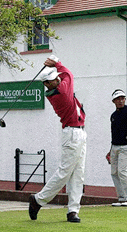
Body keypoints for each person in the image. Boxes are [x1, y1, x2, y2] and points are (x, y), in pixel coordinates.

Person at [28, 55, 87, 222]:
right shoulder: (61, 92)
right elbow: (69, 74)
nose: (58, 79)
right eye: (53, 80)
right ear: (47, 84)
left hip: (80, 132)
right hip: (72, 134)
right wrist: (57, 63)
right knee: (65, 172)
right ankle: (38, 200)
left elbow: (64, 75)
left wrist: (54, 66)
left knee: (78, 174)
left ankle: (72, 211)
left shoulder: (57, 87)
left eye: (56, 77)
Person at [106, 89, 127, 206]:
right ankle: (122, 198)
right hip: (115, 147)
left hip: (125, 146)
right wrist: (110, 150)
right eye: (118, 99)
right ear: (114, 101)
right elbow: (113, 133)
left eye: (122, 98)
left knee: (122, 171)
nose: (121, 101)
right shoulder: (113, 116)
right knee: (114, 172)